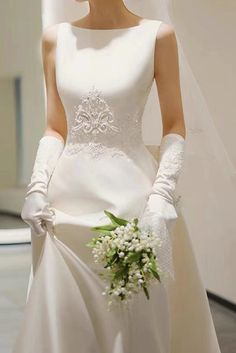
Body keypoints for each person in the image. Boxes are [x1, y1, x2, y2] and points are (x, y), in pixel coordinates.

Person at [13, 1, 221, 352]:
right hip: (66, 205)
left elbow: (175, 125)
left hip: (131, 201)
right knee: (66, 319)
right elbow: (55, 127)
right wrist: (37, 187)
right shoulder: (55, 38)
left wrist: (160, 197)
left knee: (135, 316)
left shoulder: (156, 36)